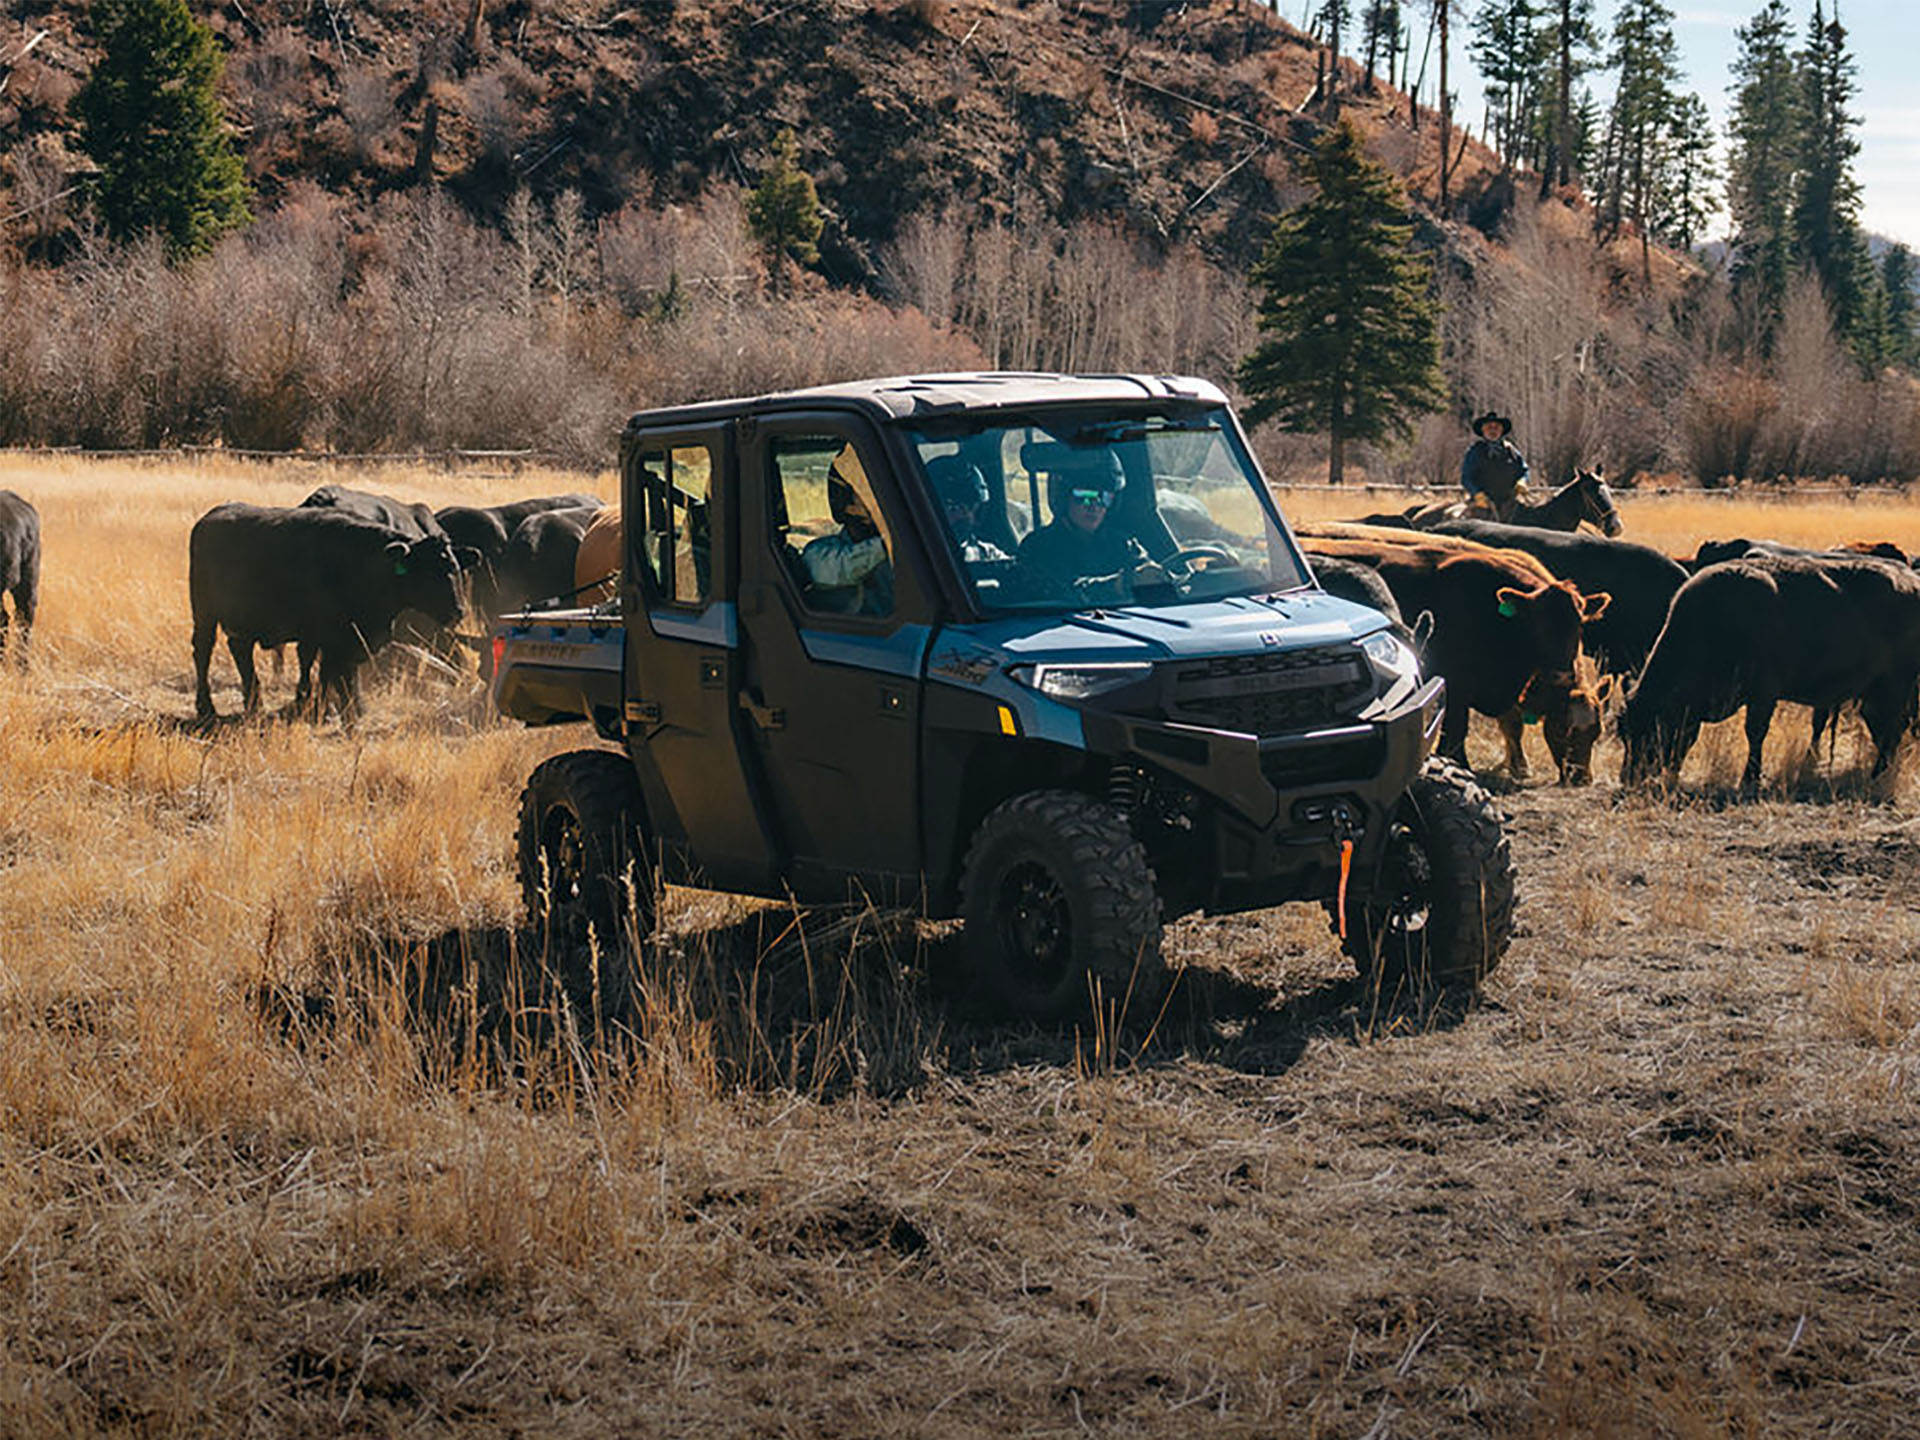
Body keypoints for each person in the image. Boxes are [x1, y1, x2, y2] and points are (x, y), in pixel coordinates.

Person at [1016, 450, 1170, 605]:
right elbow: (1062, 592)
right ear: (1063, 498)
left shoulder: (1122, 543)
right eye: (1085, 497)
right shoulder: (1038, 547)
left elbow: (1145, 572)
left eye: (1104, 498)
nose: (1095, 507)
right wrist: (1119, 585)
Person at [800, 445, 893, 616]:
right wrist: (889, 542)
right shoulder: (818, 554)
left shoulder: (897, 545)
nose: (878, 499)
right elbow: (845, 566)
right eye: (865, 494)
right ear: (846, 503)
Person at [927, 455, 1011, 565]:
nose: (967, 515)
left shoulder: (987, 553)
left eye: (973, 508)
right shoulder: (917, 554)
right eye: (955, 508)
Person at [1461, 411, 1531, 520]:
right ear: (1483, 430)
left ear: (1502, 430)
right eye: (1489, 427)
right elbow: (1466, 477)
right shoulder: (1475, 451)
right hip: (1484, 503)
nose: (1493, 430)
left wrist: (1523, 481)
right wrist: (1477, 494)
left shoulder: (1511, 451)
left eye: (1496, 427)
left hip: (1510, 502)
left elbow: (1524, 470)